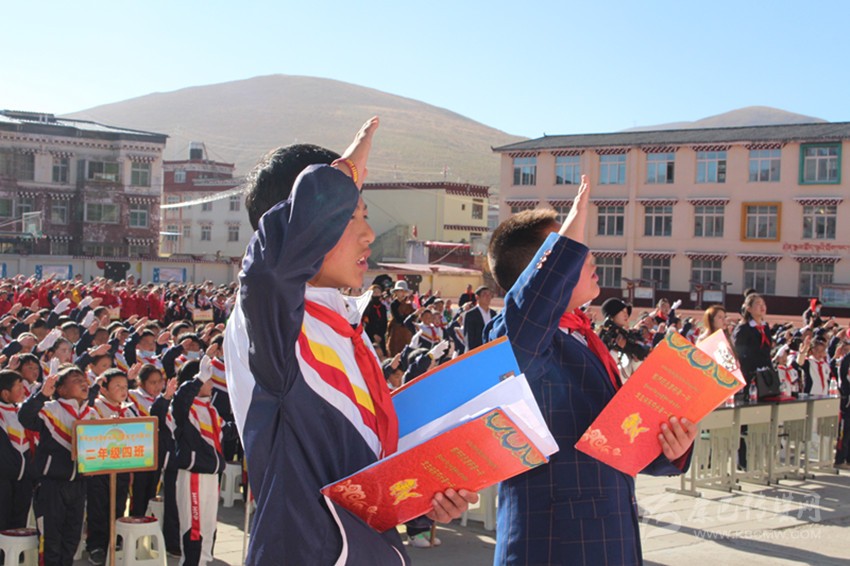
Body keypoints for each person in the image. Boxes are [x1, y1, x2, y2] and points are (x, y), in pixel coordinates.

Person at [224, 118, 475, 565]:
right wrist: (341, 175)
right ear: (300, 224)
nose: (368, 234)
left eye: (364, 215)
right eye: (348, 216)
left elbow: (360, 466)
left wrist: (425, 492)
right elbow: (272, 271)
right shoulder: (269, 318)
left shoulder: (339, 322)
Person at [486, 177, 696, 566]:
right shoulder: (514, 337)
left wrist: (671, 447)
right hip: (552, 546)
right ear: (540, 274)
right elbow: (529, 314)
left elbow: (614, 440)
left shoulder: (583, 337)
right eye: (571, 250)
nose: (588, 256)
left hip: (610, 539)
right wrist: (572, 230)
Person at [19, 365, 98, 566]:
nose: (83, 383)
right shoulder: (51, 409)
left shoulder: (90, 413)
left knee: (72, 537)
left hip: (79, 484)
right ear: (61, 389)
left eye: (83, 380)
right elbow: (25, 417)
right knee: (51, 539)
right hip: (51, 485)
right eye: (76, 380)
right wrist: (42, 395)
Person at [172, 356, 235, 566]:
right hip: (193, 477)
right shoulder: (184, 408)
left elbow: (227, 432)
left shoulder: (210, 408)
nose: (212, 384)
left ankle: (203, 562)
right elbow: (181, 399)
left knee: (208, 528)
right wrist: (198, 379)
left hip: (211, 476)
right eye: (208, 380)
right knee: (194, 529)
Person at [0, 369, 34, 531]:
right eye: (19, 387)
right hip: (4, 480)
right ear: (5, 394)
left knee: (18, 525)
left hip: (24, 480)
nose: (24, 391)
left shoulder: (21, 412)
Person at [462, 286, 495, 352]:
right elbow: (469, 338)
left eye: (489, 294)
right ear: (477, 297)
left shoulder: (494, 314)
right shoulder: (470, 315)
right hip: (476, 352)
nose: (488, 297)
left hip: (491, 351)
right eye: (484, 294)